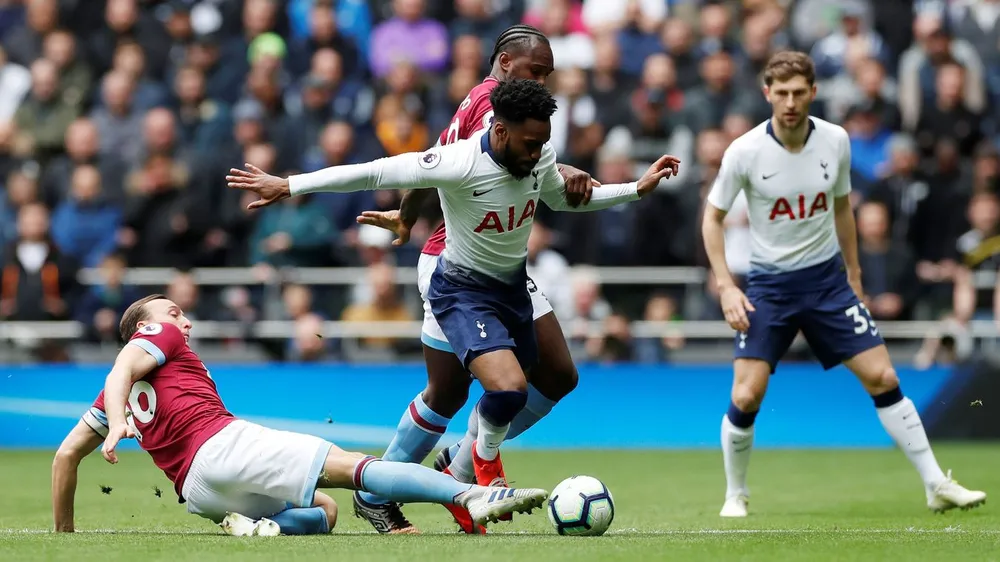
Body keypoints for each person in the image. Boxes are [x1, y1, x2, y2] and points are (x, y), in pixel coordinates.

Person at [226, 78, 678, 533]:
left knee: (506, 386)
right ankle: (481, 472)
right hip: (461, 291)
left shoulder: (537, 154)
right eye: (529, 142)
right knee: (506, 389)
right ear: (499, 130)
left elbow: (562, 198)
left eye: (542, 142)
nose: (537, 152)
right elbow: (374, 172)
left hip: (512, 289)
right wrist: (290, 185)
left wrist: (635, 189)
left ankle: (456, 468)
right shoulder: (459, 161)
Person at [352, 24, 677, 534]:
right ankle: (377, 491)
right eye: (535, 72)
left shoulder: (479, 99)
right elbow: (479, 158)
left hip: (502, 266)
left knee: (557, 374)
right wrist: (561, 167)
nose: (542, 83)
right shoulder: (491, 105)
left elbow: (435, 162)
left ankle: (460, 462)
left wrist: (407, 214)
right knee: (447, 392)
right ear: (505, 64)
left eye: (548, 75)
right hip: (455, 265)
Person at [700, 51, 986, 518]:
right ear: (767, 93)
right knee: (746, 394)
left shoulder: (835, 140)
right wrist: (728, 286)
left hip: (826, 282)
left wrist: (854, 274)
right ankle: (736, 494)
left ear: (813, 92)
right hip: (770, 286)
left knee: (884, 377)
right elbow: (712, 219)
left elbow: (842, 209)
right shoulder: (745, 152)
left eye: (799, 93)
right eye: (782, 93)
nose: (790, 102)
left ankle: (936, 484)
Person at [51, 294, 548, 535]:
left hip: (201, 494)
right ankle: (472, 495)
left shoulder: (114, 391)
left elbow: (65, 457)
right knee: (356, 468)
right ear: (143, 328)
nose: (184, 321)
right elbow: (122, 366)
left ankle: (258, 527)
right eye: (173, 312)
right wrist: (117, 426)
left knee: (324, 513)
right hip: (222, 447)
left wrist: (64, 537)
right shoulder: (155, 339)